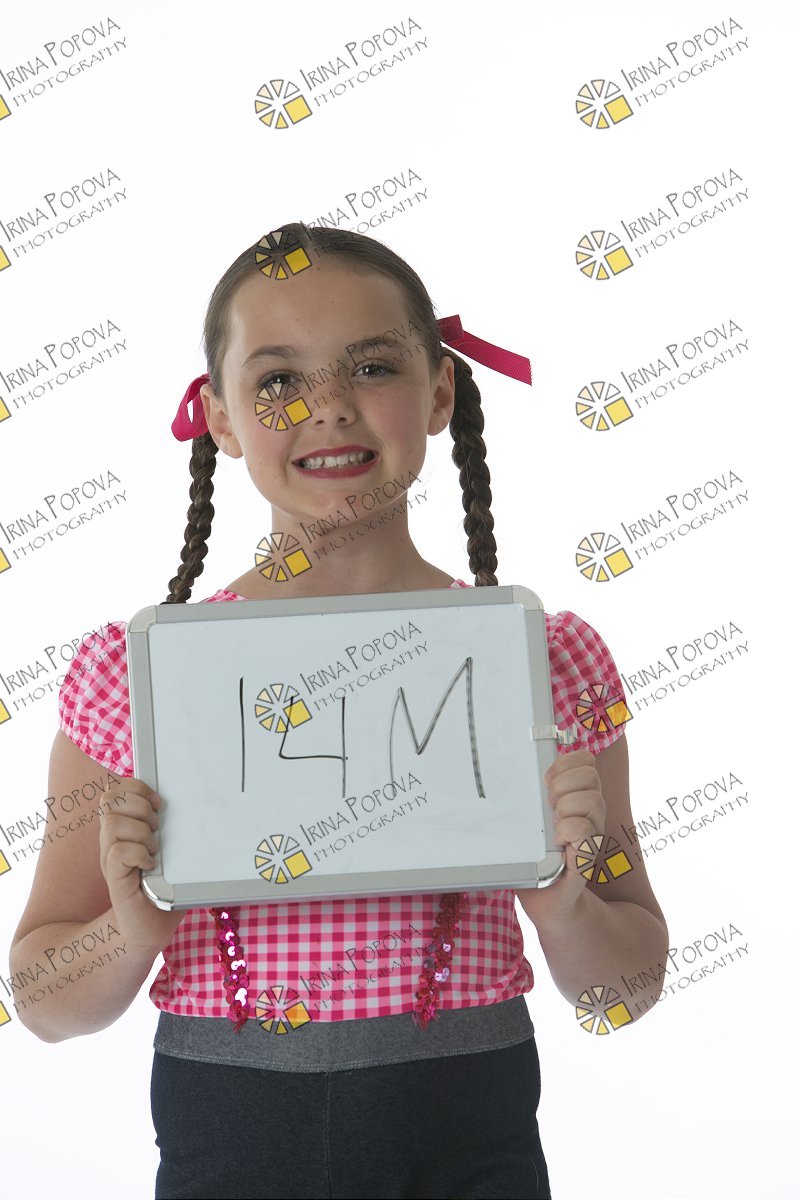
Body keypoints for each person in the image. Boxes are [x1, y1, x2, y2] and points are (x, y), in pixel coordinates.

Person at [9, 222, 669, 1200]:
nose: (327, 408)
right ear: (220, 418)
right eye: (278, 379)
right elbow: (42, 1003)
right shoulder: (135, 675)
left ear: (439, 392)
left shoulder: (545, 660)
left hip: (469, 1121)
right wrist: (132, 928)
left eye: (371, 366)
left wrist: (564, 903)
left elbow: (625, 989)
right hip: (225, 1126)